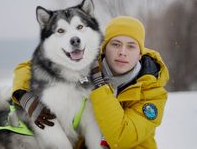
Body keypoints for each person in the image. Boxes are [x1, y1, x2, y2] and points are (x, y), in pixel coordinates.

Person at [12, 16, 169, 149]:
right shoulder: (88, 63)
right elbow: (28, 66)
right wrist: (24, 96)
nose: (122, 52)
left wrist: (99, 86)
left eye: (131, 46)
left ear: (140, 54)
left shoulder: (153, 93)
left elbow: (121, 138)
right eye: (116, 44)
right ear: (104, 48)